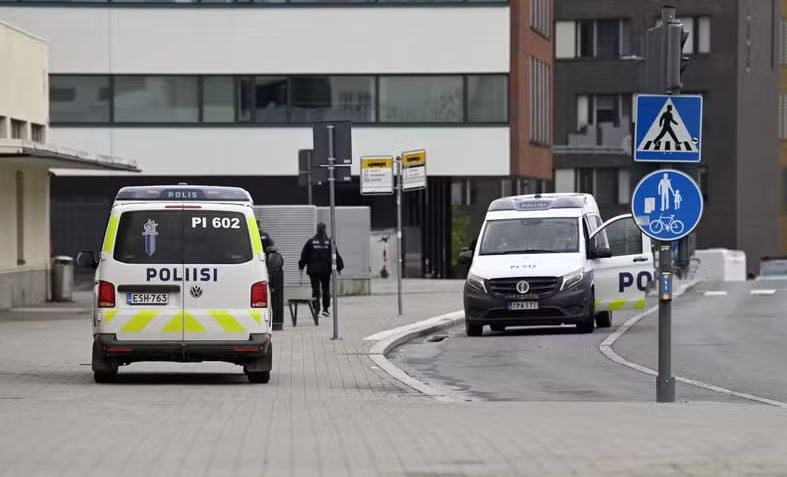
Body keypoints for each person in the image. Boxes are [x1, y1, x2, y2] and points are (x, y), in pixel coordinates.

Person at [298, 223, 344, 317]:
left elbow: (304, 255)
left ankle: (316, 310)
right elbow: (335, 255)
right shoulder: (329, 242)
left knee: (315, 290)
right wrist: (339, 268)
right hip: (325, 270)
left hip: (313, 271)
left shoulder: (311, 242)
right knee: (326, 289)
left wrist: (301, 267)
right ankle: (325, 309)